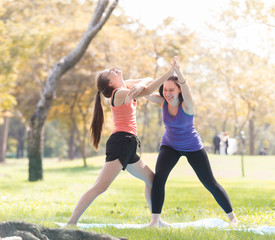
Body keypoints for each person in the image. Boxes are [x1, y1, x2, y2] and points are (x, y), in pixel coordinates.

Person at [67, 59, 175, 225]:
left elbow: (147, 80)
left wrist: (140, 86)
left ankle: (156, 221)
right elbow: (150, 88)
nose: (114, 69)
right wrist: (168, 73)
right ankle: (72, 222)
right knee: (100, 187)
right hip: (121, 143)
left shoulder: (126, 86)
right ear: (111, 82)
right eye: (110, 71)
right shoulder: (119, 93)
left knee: (152, 181)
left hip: (129, 144)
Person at [138, 57, 238, 227]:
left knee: (209, 182)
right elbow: (146, 93)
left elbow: (187, 89)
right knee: (159, 179)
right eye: (165, 90)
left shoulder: (188, 105)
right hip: (169, 146)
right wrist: (166, 74)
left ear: (179, 91)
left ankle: (233, 218)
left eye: (171, 90)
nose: (167, 93)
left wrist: (178, 72)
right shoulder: (162, 101)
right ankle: (155, 221)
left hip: (192, 147)